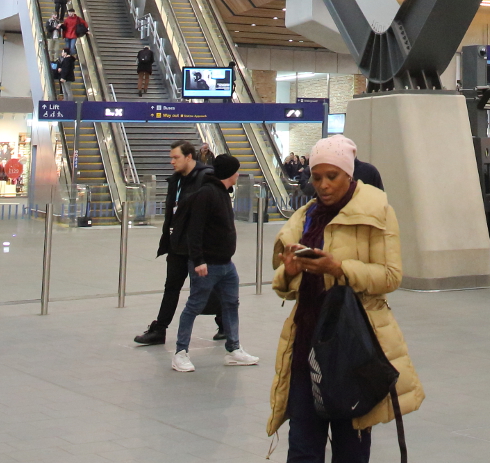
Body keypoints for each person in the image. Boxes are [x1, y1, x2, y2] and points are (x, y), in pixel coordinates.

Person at [268, 135, 421, 461]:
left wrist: (339, 268)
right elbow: (282, 285)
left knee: (351, 448)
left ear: (349, 175)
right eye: (317, 177)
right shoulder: (305, 215)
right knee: (302, 449)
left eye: (332, 176)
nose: (322, 185)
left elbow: (391, 276)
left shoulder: (376, 212)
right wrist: (291, 270)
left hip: (351, 346)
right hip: (305, 343)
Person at [136, 141, 231, 347]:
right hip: (177, 244)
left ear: (189, 157)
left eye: (175, 157)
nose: (172, 162)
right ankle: (159, 329)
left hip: (199, 246)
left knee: (207, 287)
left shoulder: (206, 177)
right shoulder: (176, 180)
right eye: (171, 158)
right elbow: (172, 212)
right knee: (171, 286)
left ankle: (223, 322)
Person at [168, 151, 257, 372]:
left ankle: (234, 348)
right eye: (236, 171)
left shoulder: (223, 193)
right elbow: (195, 230)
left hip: (226, 264)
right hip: (207, 264)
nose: (238, 175)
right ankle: (180, 352)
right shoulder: (207, 194)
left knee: (231, 304)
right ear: (230, 173)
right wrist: (198, 260)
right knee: (194, 306)